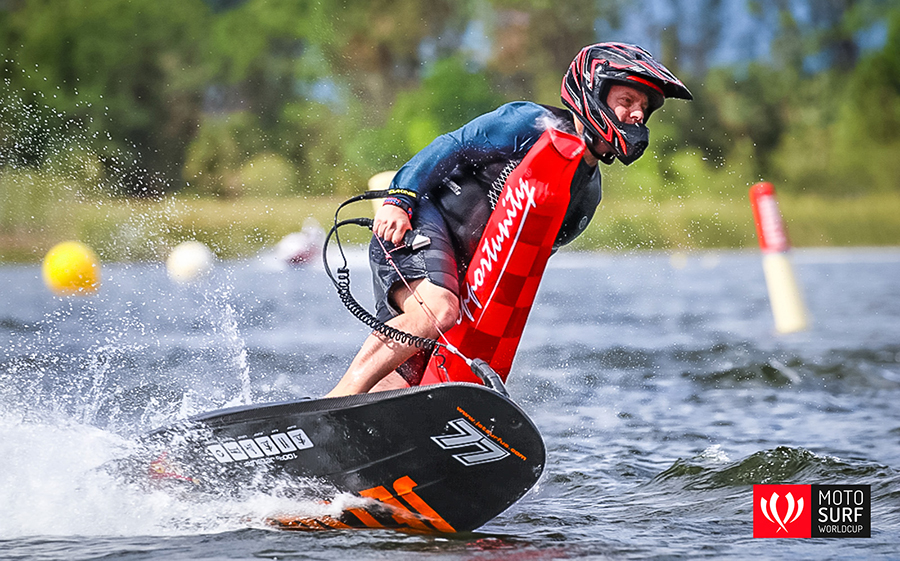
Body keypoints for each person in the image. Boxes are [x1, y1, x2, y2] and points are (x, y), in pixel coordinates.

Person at [326, 42, 692, 397]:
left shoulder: (588, 194)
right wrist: (399, 200)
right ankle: (336, 401)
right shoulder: (530, 122)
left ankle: (359, 434)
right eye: (627, 101)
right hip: (419, 221)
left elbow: (527, 257)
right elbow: (451, 145)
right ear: (594, 91)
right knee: (438, 310)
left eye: (643, 109)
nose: (637, 116)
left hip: (461, 267)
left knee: (414, 371)